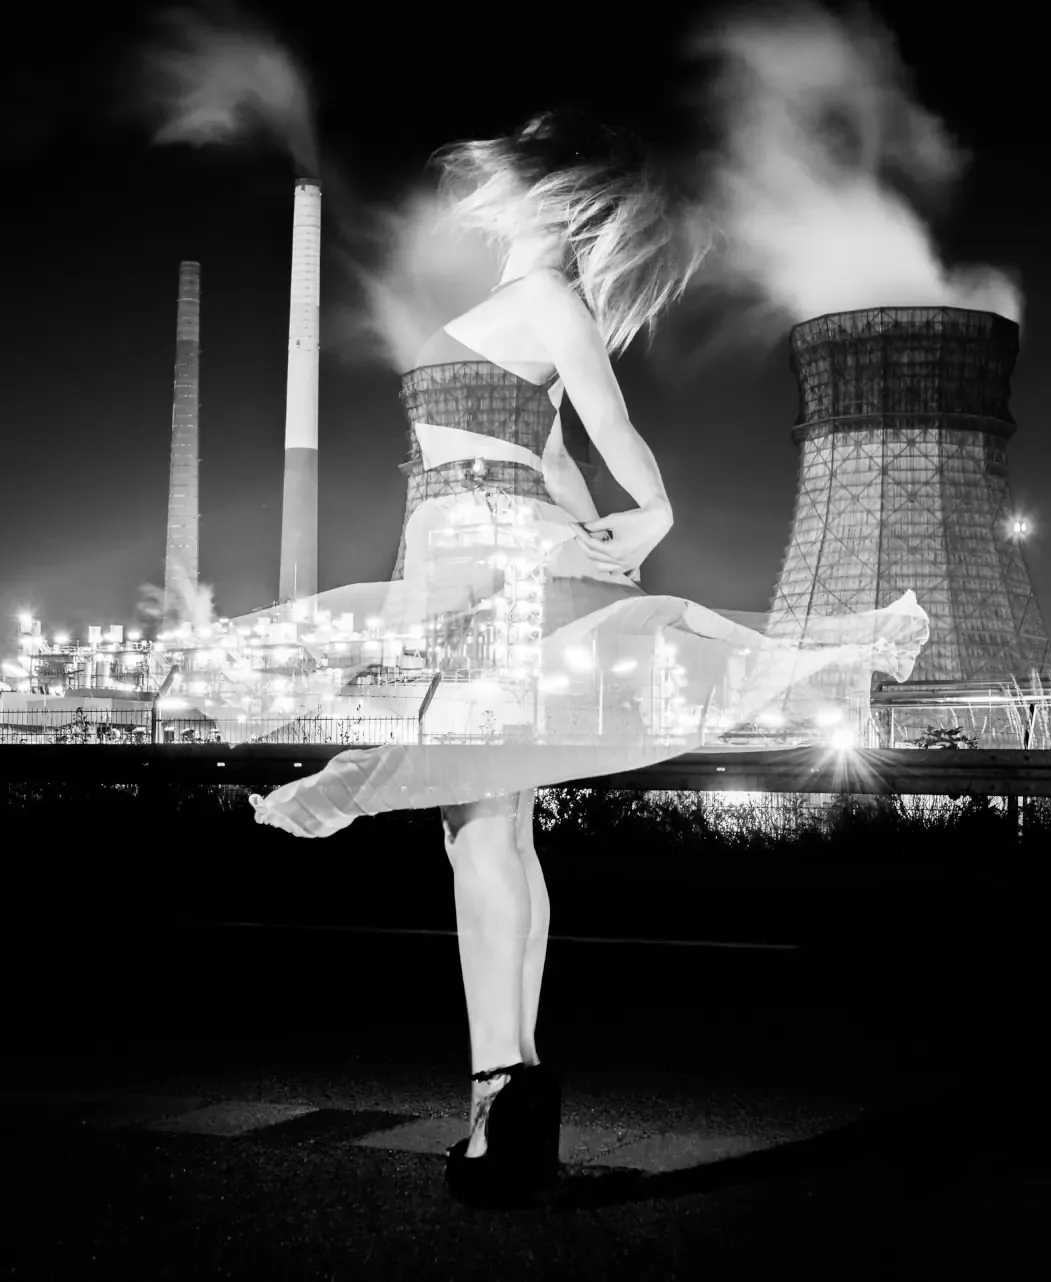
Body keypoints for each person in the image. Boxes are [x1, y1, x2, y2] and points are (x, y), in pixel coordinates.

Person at [219, 110, 929, 1207]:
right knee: (493, 826)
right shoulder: (519, 311)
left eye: (513, 172)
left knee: (478, 829)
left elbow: (612, 423)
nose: (486, 185)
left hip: (489, 562)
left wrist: (650, 512)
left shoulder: (551, 298)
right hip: (471, 561)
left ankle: (500, 1107)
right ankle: (510, 1103)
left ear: (554, 196)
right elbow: (553, 454)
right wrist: (606, 557)